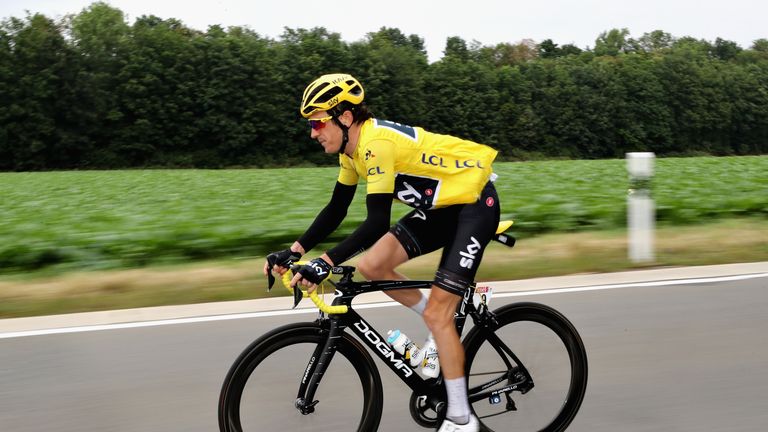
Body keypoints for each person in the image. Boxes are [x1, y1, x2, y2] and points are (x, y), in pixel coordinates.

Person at [264, 73, 500, 432]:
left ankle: (461, 420)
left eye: (317, 122)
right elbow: (337, 209)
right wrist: (294, 251)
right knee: (373, 265)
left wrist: (323, 263)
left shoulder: (375, 143)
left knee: (438, 313)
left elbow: (376, 222)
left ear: (344, 116)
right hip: (441, 210)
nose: (312, 132)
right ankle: (440, 330)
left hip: (473, 206)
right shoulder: (352, 152)